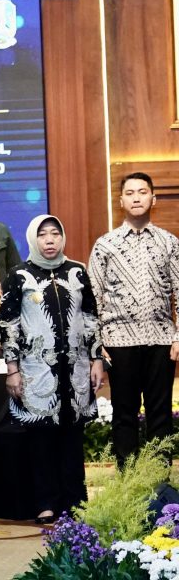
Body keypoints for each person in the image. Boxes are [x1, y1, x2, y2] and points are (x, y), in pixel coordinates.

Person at [1, 215, 105, 524]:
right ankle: (45, 502)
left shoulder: (77, 271)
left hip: (76, 368)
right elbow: (9, 324)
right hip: (36, 369)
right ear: (33, 238)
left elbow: (90, 318)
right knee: (41, 438)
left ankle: (75, 501)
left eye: (55, 233)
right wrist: (12, 369)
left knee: (72, 437)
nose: (50, 240)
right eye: (43, 234)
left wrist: (97, 359)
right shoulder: (19, 275)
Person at [88, 172, 179, 467]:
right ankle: (128, 486)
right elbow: (93, 298)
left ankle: (160, 487)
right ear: (121, 200)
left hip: (161, 340)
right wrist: (96, 345)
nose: (136, 197)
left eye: (142, 192)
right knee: (124, 414)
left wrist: (178, 337)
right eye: (130, 192)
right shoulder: (105, 245)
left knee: (160, 414)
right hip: (119, 341)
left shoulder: (169, 243)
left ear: (154, 198)